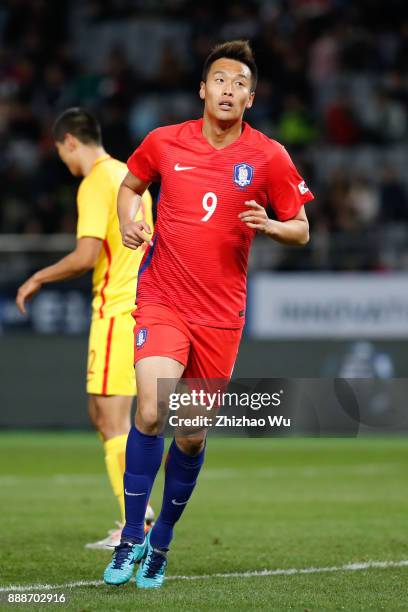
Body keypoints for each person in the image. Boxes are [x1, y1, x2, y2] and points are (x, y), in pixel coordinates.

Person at [103, 40, 314, 589]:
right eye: (219, 80)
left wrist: (271, 226)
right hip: (162, 298)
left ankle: (161, 542)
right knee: (150, 408)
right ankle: (129, 537)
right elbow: (130, 186)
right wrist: (129, 219)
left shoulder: (269, 156)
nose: (227, 89)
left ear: (250, 96)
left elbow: (302, 228)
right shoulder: (164, 141)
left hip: (220, 315)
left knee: (191, 434)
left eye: (239, 83)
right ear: (203, 89)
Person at [16, 108, 154, 549]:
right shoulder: (130, 176)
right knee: (107, 416)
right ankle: (137, 518)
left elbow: (86, 254)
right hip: (137, 304)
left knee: (111, 418)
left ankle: (137, 525)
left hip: (116, 309)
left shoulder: (96, 181)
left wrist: (38, 277)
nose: (64, 162)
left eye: (61, 152)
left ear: (70, 142)